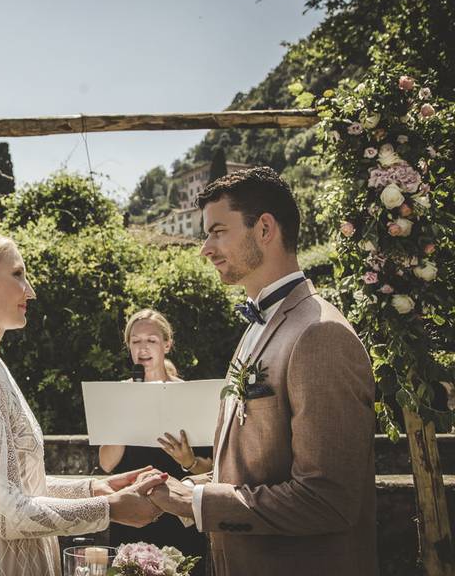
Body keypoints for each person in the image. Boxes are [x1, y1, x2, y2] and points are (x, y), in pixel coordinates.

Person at [146, 167, 377, 576]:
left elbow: (327, 500)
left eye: (217, 231)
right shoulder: (259, 325)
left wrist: (194, 504)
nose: (205, 249)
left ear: (265, 228)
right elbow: (256, 468)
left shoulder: (320, 333)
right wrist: (189, 487)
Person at [0, 228, 168, 576]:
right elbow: (10, 514)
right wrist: (109, 508)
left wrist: (95, 488)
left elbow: (14, 485)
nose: (30, 290)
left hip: (14, 553)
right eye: (18, 274)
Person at [98, 309, 210, 575]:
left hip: (179, 513)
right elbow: (106, 464)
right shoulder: (118, 395)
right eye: (136, 341)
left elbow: (210, 467)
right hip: (132, 513)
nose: (143, 348)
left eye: (151, 340)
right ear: (128, 347)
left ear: (167, 344)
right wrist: (125, 412)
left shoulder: (190, 396)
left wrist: (188, 461)